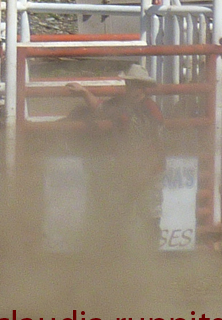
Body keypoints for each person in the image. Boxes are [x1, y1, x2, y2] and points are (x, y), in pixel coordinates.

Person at [65, 63, 166, 243]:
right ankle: (128, 256)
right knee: (124, 216)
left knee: (147, 216)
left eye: (134, 84)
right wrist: (84, 93)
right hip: (131, 168)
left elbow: (156, 140)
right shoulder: (125, 105)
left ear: (142, 87)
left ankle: (146, 256)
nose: (130, 88)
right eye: (129, 84)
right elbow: (100, 108)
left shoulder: (150, 109)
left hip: (147, 169)